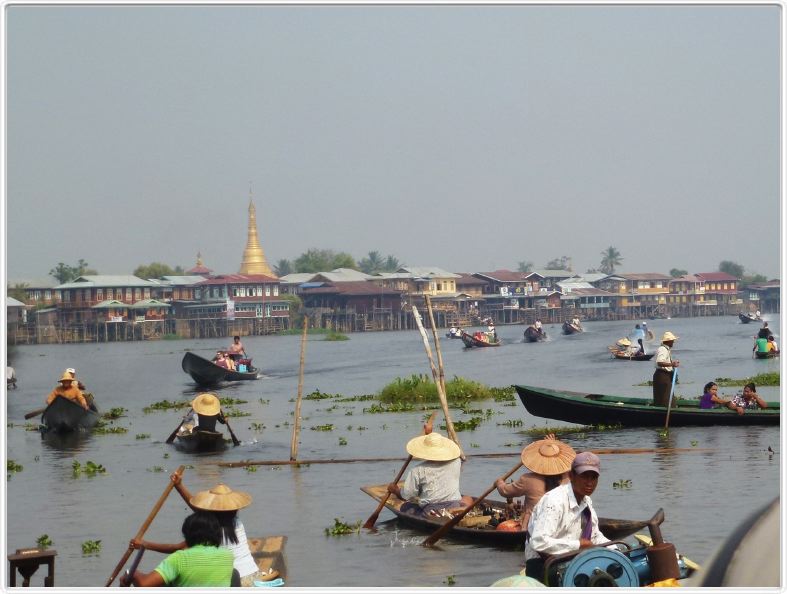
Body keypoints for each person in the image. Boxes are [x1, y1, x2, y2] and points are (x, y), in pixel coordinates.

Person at [131, 481, 262, 587]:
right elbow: (198, 509)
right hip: (253, 575)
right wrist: (179, 486)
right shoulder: (236, 522)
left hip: (235, 581)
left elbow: (178, 548)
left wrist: (144, 544)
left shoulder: (212, 530)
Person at [524, 452, 610, 584]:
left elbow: (595, 537)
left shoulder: (587, 502)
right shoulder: (554, 500)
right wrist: (578, 545)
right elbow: (539, 542)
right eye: (584, 477)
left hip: (571, 561)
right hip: (543, 565)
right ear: (571, 476)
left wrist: (617, 549)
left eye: (593, 478)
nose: (589, 483)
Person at [122, 512, 234, 587]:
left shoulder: (180, 558)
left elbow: (144, 584)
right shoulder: (228, 556)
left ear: (187, 535)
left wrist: (131, 574)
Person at [495, 435, 575, 536]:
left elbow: (505, 491)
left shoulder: (528, 479)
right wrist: (552, 445)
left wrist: (499, 483)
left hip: (533, 527)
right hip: (562, 525)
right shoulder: (569, 478)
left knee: (502, 527)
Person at [387, 431, 471, 517]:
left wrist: (395, 490)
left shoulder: (417, 470)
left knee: (405, 506)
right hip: (454, 506)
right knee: (467, 499)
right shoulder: (456, 462)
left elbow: (406, 496)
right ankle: (462, 511)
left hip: (431, 511)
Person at [653, 332, 680, 407]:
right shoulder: (663, 349)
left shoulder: (665, 349)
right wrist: (672, 364)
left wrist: (672, 364)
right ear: (668, 341)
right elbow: (660, 362)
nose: (673, 342)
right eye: (672, 340)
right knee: (666, 399)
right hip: (662, 376)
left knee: (665, 397)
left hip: (664, 375)